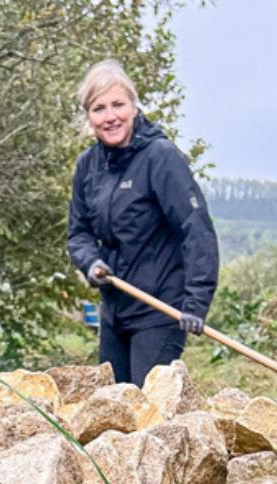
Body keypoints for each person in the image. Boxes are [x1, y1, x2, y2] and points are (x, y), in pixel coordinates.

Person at [67, 59, 219, 387]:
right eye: (99, 108)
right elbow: (78, 233)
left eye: (118, 105)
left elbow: (196, 230)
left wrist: (195, 303)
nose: (110, 117)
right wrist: (90, 262)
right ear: (89, 117)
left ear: (134, 106)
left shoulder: (160, 158)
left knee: (147, 412)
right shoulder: (88, 167)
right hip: (115, 309)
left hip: (161, 308)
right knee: (113, 407)